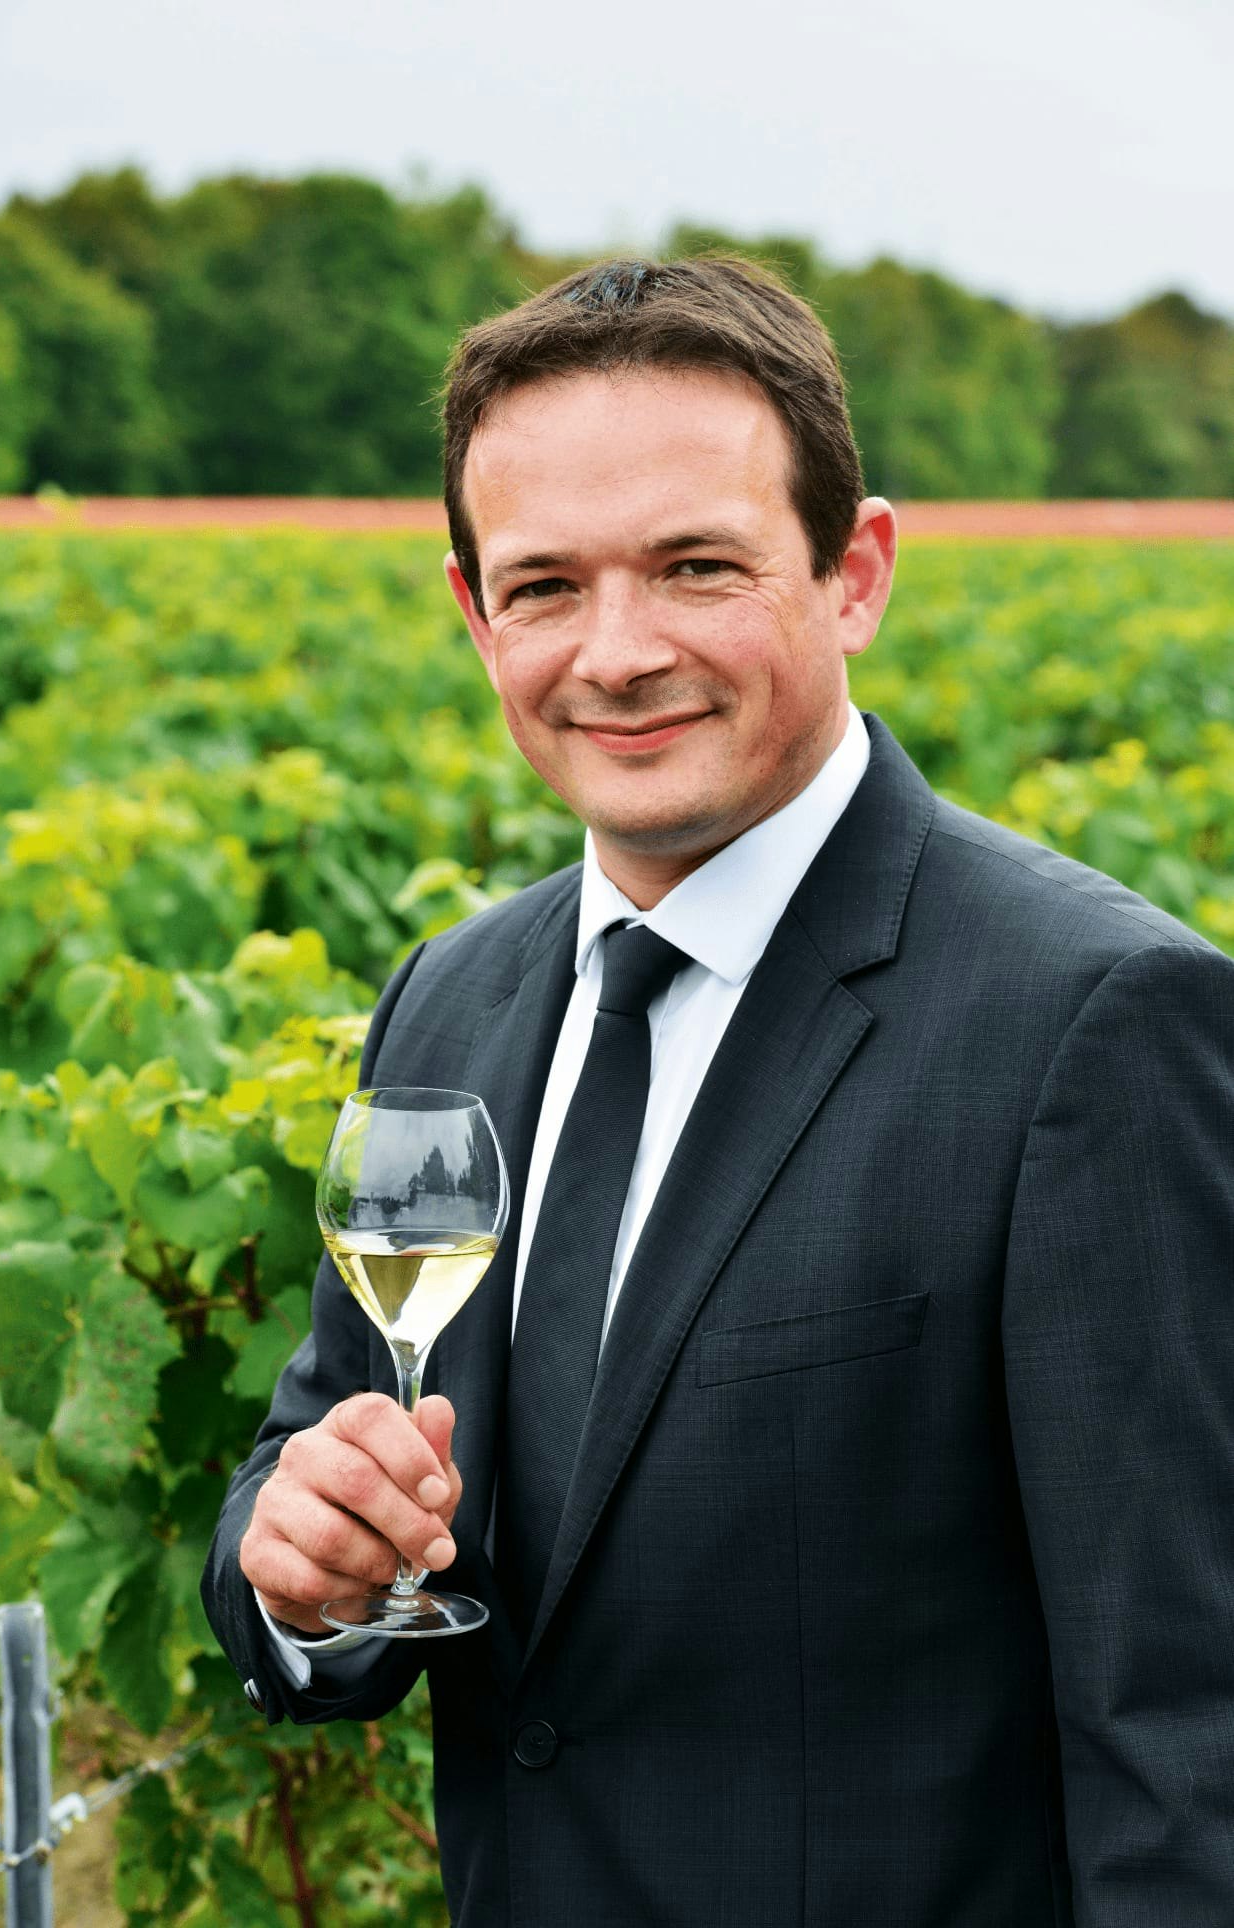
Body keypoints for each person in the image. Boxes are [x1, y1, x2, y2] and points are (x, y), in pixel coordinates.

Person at [203, 256, 1234, 1925]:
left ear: (853, 572)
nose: (615, 654)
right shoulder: (451, 999)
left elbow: (1187, 1729)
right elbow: (320, 1452)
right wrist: (303, 1568)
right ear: (474, 614)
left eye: (694, 566)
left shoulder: (1095, 1026)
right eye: (543, 587)